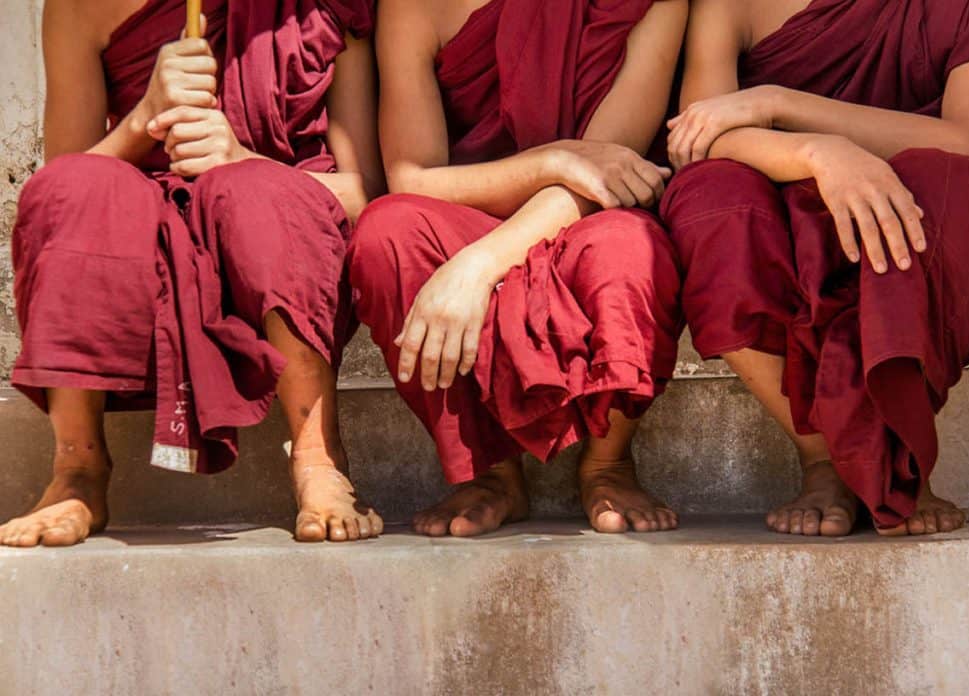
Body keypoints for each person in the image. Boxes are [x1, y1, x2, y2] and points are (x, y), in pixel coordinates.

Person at [0, 0, 385, 547]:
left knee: (253, 192)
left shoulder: (325, 7)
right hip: (143, 241)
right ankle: (76, 470)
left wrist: (240, 157)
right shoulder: (78, 7)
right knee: (69, 189)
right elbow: (66, 179)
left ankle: (319, 456)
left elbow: (368, 189)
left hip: (274, 238)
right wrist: (144, 118)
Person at [661, 0, 969, 535]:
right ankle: (826, 460)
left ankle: (900, 453)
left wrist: (777, 102)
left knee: (950, 185)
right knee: (708, 199)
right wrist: (819, 154)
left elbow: (968, 143)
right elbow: (697, 138)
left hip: (906, 200)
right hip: (780, 194)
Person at [347, 0, 689, 537]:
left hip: (586, 217)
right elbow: (412, 177)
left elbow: (610, 172)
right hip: (468, 208)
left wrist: (479, 265)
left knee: (629, 247)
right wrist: (555, 160)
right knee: (387, 233)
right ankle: (488, 472)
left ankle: (608, 462)